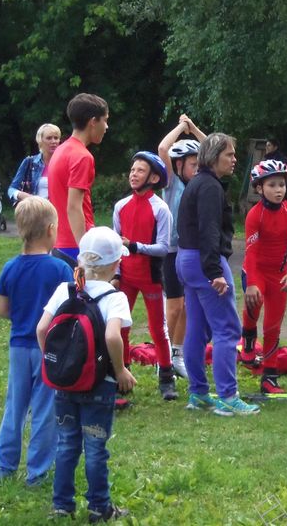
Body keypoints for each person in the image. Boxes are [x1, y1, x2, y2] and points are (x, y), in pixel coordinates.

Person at [36, 227, 136, 521]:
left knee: (67, 443)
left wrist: (56, 362)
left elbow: (42, 329)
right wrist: (120, 371)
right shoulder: (114, 297)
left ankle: (62, 505)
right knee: (95, 448)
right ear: (116, 264)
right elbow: (114, 338)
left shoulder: (64, 290)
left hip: (65, 385)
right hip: (99, 385)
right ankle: (98, 507)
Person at [0, 196, 74, 485]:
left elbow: (2, 310)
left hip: (19, 346)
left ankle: (2, 464)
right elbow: (70, 310)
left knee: (15, 405)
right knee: (45, 409)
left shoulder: (10, 267)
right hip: (50, 348)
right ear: (50, 230)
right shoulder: (60, 269)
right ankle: (38, 471)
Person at [176, 133, 260, 416]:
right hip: (204, 261)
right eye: (229, 154)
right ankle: (227, 396)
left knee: (197, 330)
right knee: (227, 329)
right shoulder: (210, 187)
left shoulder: (196, 183)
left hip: (186, 259)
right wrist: (214, 271)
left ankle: (198, 393)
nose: (234, 159)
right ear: (213, 157)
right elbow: (209, 231)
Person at [112, 151, 176, 401]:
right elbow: (117, 246)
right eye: (132, 170)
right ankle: (122, 375)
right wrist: (116, 273)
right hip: (126, 277)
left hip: (150, 276)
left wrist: (135, 246)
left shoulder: (161, 209)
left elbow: (164, 247)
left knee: (157, 329)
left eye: (140, 170)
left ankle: (166, 378)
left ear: (153, 178)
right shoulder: (121, 206)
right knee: (122, 327)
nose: (133, 174)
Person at [240, 159, 287, 394]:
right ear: (260, 189)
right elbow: (251, 253)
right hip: (255, 271)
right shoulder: (254, 216)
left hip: (279, 277)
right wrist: (253, 284)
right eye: (272, 185)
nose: (279, 190)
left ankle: (269, 375)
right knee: (253, 312)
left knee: (272, 326)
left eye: (282, 185)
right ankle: (247, 341)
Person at [157, 115, 207, 379]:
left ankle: (177, 354)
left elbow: (213, 145)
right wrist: (182, 127)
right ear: (178, 166)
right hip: (171, 251)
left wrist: (195, 129)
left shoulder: (202, 182)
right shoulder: (171, 182)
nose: (197, 168)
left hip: (192, 251)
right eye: (192, 164)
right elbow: (162, 150)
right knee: (174, 306)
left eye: (199, 164)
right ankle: (163, 356)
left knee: (187, 305)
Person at [49, 93, 109, 261]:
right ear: (93, 122)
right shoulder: (82, 156)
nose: (106, 127)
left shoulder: (61, 149)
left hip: (59, 242)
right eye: (105, 120)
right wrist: (85, 252)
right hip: (75, 246)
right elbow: (74, 207)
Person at [8, 123, 63, 203]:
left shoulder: (65, 163)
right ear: (40, 140)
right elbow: (11, 190)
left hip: (59, 212)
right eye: (49, 138)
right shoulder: (30, 162)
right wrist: (29, 198)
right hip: (37, 212)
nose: (53, 141)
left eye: (56, 138)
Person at [265, 137, 287, 201]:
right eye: (266, 145)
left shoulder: (281, 160)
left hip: (282, 192)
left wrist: (280, 187)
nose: (266, 147)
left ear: (275, 147)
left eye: (269, 145)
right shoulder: (268, 159)